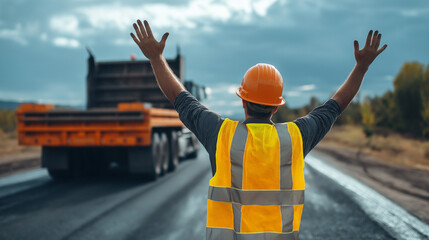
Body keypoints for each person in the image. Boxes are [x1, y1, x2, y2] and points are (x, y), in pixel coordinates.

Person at [130, 19, 387, 240]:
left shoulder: (222, 134)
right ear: (276, 107)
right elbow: (335, 106)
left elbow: (180, 97)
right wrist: (361, 67)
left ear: (242, 101)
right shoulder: (295, 137)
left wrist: (156, 58)